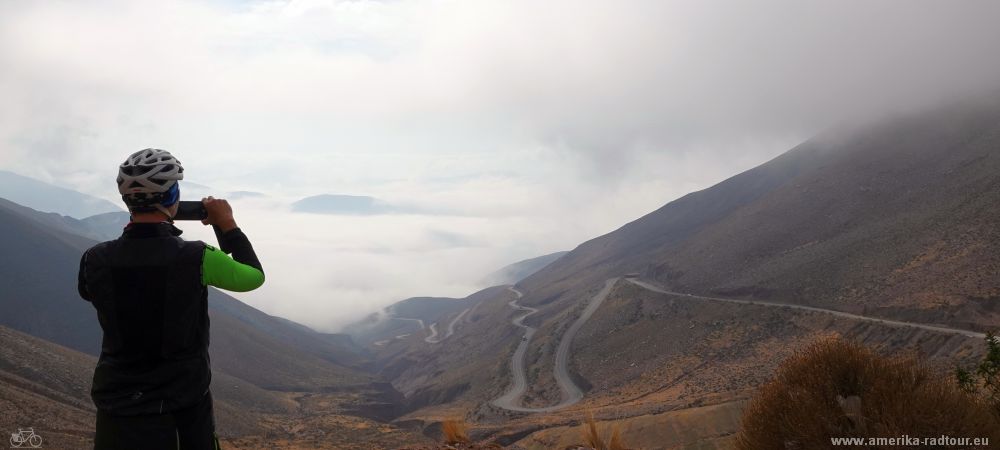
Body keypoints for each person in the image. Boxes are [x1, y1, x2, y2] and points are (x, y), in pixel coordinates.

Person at [77, 148, 265, 450]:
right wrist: (227, 224)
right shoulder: (197, 257)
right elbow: (253, 277)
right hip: (180, 407)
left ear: (126, 200)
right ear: (172, 196)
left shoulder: (94, 258)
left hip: (115, 404)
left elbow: (91, 293)